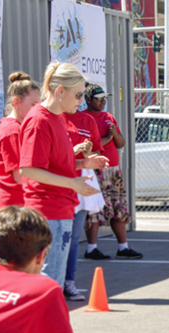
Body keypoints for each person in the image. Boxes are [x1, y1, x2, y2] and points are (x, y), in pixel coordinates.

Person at [19, 62, 108, 288]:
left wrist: (83, 162)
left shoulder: (57, 118)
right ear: (60, 91)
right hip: (48, 211)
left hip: (60, 209)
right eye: (78, 95)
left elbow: (54, 162)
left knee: (52, 282)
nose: (81, 100)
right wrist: (72, 183)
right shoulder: (39, 120)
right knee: (49, 283)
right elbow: (28, 169)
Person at [83, 84, 142, 260]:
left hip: (113, 171)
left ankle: (123, 247)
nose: (102, 102)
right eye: (98, 98)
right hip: (95, 170)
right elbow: (87, 146)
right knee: (94, 209)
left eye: (104, 98)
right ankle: (91, 249)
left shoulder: (109, 117)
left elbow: (121, 143)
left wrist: (115, 135)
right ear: (87, 100)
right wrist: (108, 138)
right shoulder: (84, 118)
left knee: (119, 208)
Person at [60, 100, 106, 302]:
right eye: (75, 95)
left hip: (81, 183)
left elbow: (98, 153)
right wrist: (74, 148)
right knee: (55, 237)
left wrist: (89, 154)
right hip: (59, 183)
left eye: (80, 95)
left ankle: (68, 282)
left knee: (73, 238)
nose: (77, 100)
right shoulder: (52, 117)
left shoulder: (87, 120)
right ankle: (52, 282)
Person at [0, 72, 41, 213]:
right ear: (16, 102)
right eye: (33, 104)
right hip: (14, 207)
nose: (37, 110)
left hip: (13, 203)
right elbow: (20, 176)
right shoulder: (13, 131)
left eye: (39, 105)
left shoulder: (12, 126)